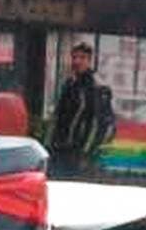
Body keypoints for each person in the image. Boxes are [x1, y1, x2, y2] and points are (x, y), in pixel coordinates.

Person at [47, 42, 116, 178]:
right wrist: (49, 143)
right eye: (74, 57)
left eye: (82, 58)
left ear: (90, 61)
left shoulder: (97, 87)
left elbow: (98, 123)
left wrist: (86, 153)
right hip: (60, 148)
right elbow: (58, 116)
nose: (77, 62)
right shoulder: (70, 84)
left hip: (79, 152)